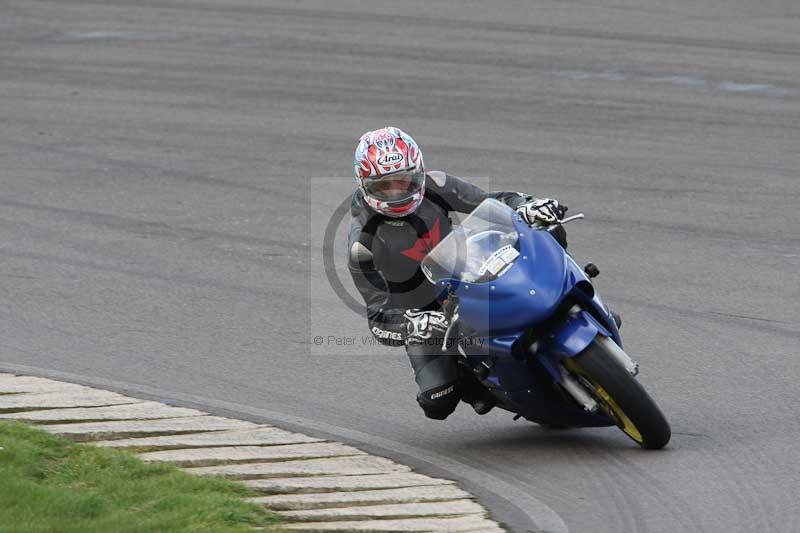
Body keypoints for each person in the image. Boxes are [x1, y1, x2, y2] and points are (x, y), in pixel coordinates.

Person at [347, 127, 568, 420]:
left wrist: (527, 205)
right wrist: (411, 324)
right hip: (423, 309)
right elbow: (378, 320)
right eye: (384, 186)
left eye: (404, 181)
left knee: (548, 228)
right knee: (437, 400)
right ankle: (478, 382)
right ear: (364, 184)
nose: (397, 192)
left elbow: (490, 202)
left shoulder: (438, 185)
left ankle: (570, 300)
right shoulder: (362, 244)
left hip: (465, 269)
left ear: (420, 173)